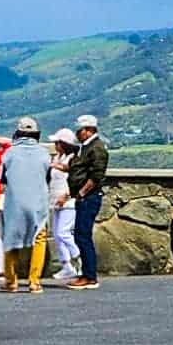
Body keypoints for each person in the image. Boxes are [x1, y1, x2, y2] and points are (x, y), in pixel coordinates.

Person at [0, 121, 55, 293]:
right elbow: (47, 178)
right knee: (39, 238)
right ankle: (34, 282)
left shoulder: (9, 154)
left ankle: (11, 281)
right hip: (38, 202)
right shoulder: (44, 154)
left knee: (11, 238)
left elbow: (2, 179)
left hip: (15, 203)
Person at [61, 116, 108, 288]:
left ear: (89, 130)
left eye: (79, 131)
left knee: (83, 235)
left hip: (89, 197)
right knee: (81, 235)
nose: (77, 134)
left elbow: (96, 175)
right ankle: (87, 273)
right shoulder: (85, 148)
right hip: (84, 197)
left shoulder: (97, 148)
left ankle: (89, 276)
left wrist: (81, 192)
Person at [38, 125, 82, 285]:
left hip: (67, 200)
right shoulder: (57, 158)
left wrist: (67, 195)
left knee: (64, 232)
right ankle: (66, 265)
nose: (55, 145)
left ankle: (79, 257)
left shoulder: (72, 159)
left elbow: (75, 179)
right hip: (55, 200)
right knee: (57, 235)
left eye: (57, 142)